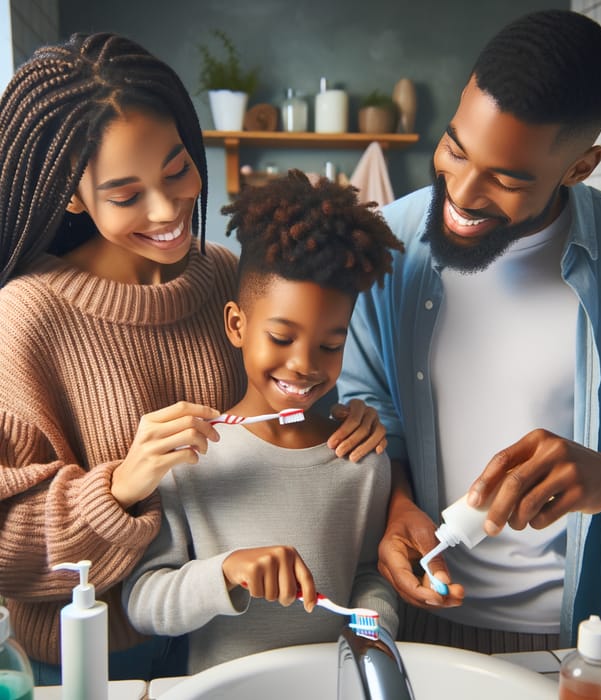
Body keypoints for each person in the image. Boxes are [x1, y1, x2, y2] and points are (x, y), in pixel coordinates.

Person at [0, 34, 386, 685]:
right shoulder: (26, 318)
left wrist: (351, 418)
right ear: (73, 194)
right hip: (88, 651)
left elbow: (283, 404)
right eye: (126, 194)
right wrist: (122, 484)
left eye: (177, 169)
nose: (167, 210)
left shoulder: (225, 278)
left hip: (220, 635)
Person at [337, 8, 601, 653]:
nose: (462, 194)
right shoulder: (383, 247)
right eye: (454, 147)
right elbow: (368, 413)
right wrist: (397, 509)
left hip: (584, 642)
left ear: (580, 167)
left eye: (506, 178)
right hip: (411, 626)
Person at [123, 170, 403, 674]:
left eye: (330, 346)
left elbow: (368, 575)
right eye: (280, 338)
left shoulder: (360, 459)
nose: (304, 364)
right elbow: (143, 602)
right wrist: (227, 573)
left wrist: (371, 626)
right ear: (237, 325)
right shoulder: (191, 458)